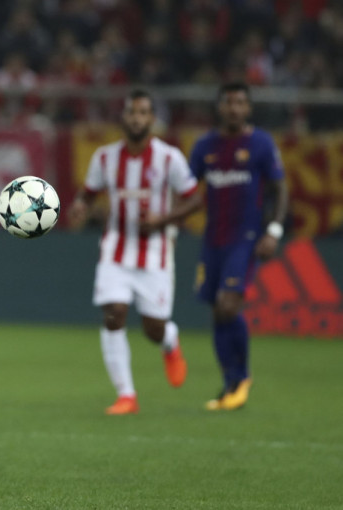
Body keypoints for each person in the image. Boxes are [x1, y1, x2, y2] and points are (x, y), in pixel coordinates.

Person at [68, 89, 202, 415]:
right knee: (114, 313)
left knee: (153, 328)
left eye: (143, 112)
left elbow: (195, 198)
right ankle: (126, 395)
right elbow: (88, 194)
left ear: (152, 119)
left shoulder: (169, 158)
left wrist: (163, 220)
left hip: (155, 253)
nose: (137, 118)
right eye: (132, 112)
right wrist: (81, 206)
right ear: (123, 117)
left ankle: (169, 341)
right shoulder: (105, 158)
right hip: (115, 249)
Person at [189, 82, 288, 411]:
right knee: (218, 310)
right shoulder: (205, 146)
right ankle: (230, 384)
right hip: (212, 240)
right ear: (219, 107)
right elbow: (186, 188)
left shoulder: (261, 143)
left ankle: (242, 377)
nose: (234, 108)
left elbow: (279, 189)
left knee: (228, 305)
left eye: (240, 103)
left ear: (248, 108)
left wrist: (273, 230)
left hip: (245, 239)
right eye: (228, 102)